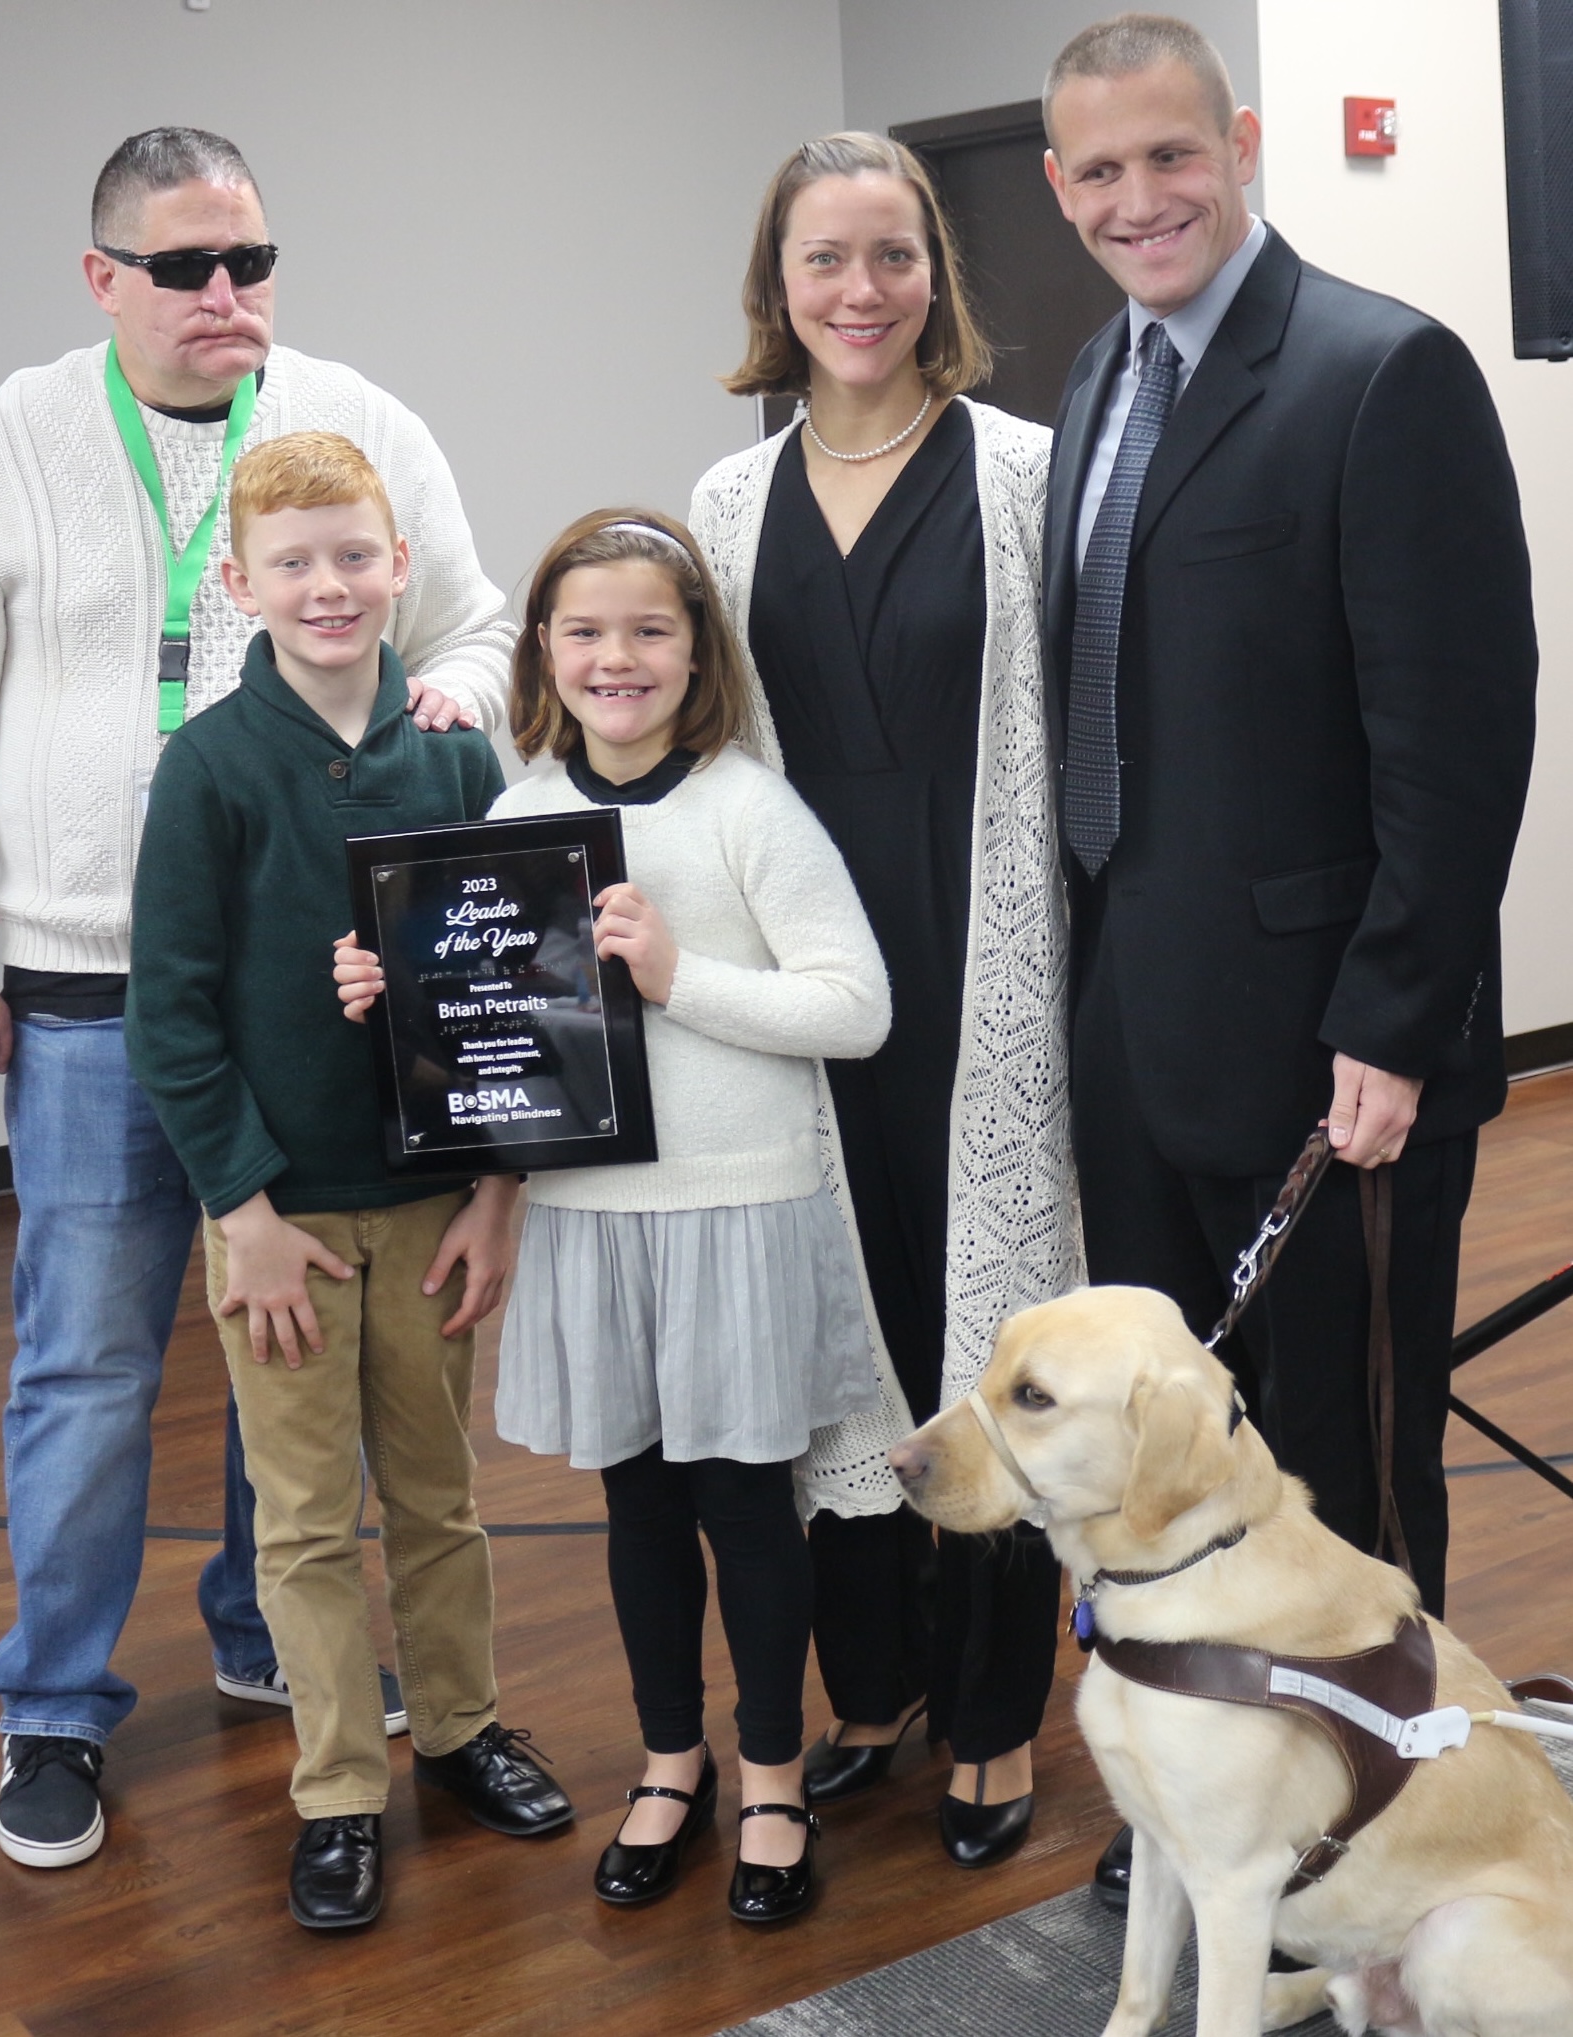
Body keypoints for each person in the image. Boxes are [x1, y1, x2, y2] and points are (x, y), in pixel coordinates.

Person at [0, 126, 514, 1870]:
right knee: (86, 1367)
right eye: (183, 269)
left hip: (319, 1004)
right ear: (103, 281)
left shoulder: (360, 419)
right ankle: (55, 1703)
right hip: (84, 997)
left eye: (250, 262)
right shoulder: (1, 446)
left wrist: (447, 696)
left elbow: (474, 623)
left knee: (282, 1343)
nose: (226, 296)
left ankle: (258, 1630)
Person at [1036, 14, 1536, 1905]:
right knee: (1176, 1486)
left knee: (1343, 1468)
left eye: (1171, 157)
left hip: (1340, 1060)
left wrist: (1396, 1021)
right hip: (1137, 1037)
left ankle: (1385, 1830)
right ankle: (1220, 1817)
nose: (1136, 198)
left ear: (1239, 142)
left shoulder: (1380, 371)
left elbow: (1462, 734)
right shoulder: (1096, 378)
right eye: (1097, 170)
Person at [339, 509, 891, 1922]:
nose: (616, 656)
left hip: (736, 1210)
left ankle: (770, 1772)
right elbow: (505, 1041)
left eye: (650, 628)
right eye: (585, 630)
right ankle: (670, 1759)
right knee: (636, 1508)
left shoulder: (747, 807)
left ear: (697, 649)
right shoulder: (522, 820)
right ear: (544, 650)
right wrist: (397, 1001)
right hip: (592, 1220)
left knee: (746, 1512)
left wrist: (679, 974)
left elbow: (857, 1007)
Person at [688, 134, 1080, 1868]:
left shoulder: (1026, 475)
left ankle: (995, 1715)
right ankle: (873, 1687)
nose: (860, 293)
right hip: (800, 996)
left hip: (985, 976)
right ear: (776, 285)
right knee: (829, 1332)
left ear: (941, 276)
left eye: (892, 257)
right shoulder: (720, 502)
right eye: (823, 261)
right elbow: (675, 746)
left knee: (984, 1335)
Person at [124, 431, 571, 1931]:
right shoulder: (209, 769)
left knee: (442, 1496)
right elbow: (169, 1013)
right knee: (306, 1519)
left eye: (356, 556)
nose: (331, 586)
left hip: (432, 1204)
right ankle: (335, 1791)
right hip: (284, 1226)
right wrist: (239, 1211)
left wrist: (500, 1188)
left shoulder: (455, 751)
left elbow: (507, 984)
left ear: (401, 566)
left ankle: (458, 1729)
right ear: (242, 582)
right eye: (296, 563)